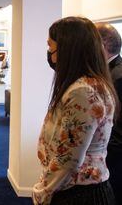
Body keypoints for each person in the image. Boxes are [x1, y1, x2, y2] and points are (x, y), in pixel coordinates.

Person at [33, 17, 116, 205]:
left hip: (79, 193)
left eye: (50, 47)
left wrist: (43, 191)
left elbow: (68, 158)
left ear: (68, 49)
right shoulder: (90, 83)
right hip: (78, 188)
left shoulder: (83, 91)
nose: (50, 54)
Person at [95, 22, 122, 204]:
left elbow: (118, 128)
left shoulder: (118, 76)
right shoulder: (107, 71)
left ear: (102, 45)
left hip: (113, 159)